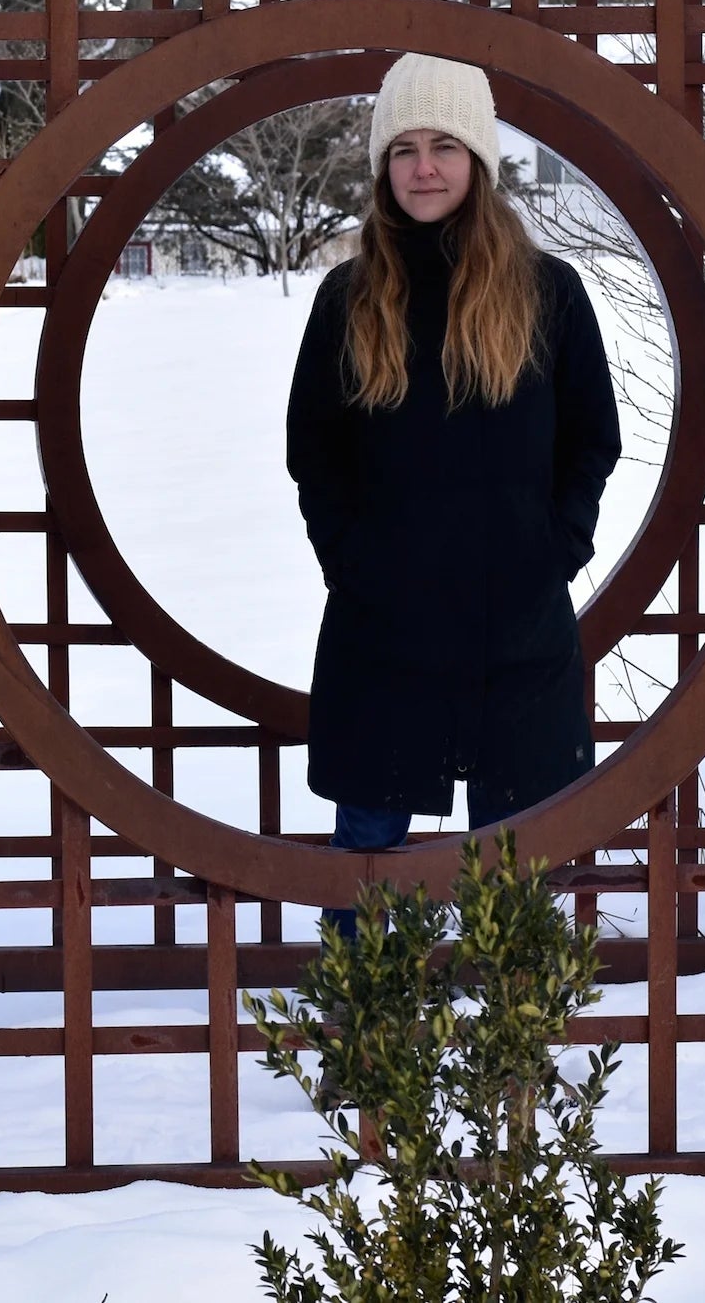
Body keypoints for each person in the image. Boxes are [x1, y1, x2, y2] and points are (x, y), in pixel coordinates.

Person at [285, 53, 622, 928]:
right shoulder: (348, 298)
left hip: (518, 635)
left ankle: (509, 1031)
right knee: (367, 877)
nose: (423, 167)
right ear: (381, 166)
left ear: (477, 158)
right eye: (403, 148)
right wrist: (353, 562)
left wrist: (552, 549)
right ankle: (365, 1025)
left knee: (514, 891)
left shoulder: (549, 294)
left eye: (443, 146)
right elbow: (314, 452)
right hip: (383, 637)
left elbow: (593, 439)